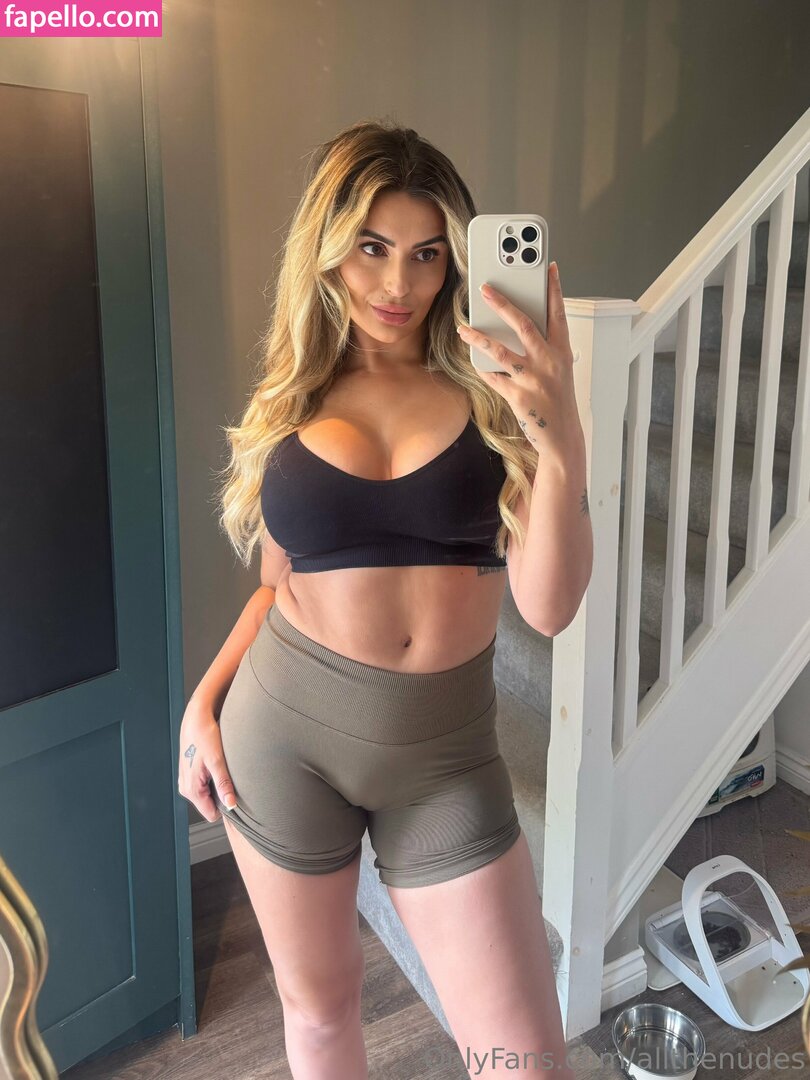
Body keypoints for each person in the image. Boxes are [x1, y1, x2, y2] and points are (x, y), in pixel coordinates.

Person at [178, 118, 591, 1079]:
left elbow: (550, 608)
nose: (398, 284)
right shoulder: (295, 395)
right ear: (328, 249)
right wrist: (204, 700)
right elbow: (278, 586)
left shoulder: (499, 395)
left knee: (526, 1062)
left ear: (455, 261)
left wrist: (561, 429)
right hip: (282, 743)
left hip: (447, 760)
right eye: (372, 248)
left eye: (426, 254)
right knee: (321, 1017)